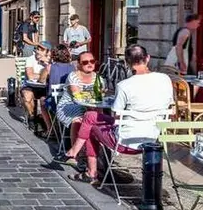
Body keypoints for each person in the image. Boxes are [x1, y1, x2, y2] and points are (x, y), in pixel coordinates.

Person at [63, 45, 174, 184]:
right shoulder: (165, 79)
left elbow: (116, 117)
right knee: (90, 116)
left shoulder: (124, 85)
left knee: (90, 125)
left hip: (125, 141)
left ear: (127, 63)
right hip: (153, 139)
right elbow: (170, 105)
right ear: (148, 58)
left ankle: (90, 171)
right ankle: (76, 151)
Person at [53, 51, 98, 163]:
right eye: (85, 62)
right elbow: (77, 96)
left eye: (92, 61)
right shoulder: (73, 76)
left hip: (89, 107)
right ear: (78, 64)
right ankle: (76, 154)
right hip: (69, 107)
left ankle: (95, 154)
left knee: (98, 118)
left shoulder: (97, 77)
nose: (89, 64)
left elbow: (99, 96)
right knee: (78, 119)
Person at [21, 42, 52, 134]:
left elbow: (53, 75)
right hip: (30, 86)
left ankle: (47, 121)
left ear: (47, 52)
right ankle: (31, 116)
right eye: (37, 48)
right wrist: (44, 75)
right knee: (27, 96)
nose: (38, 51)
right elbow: (30, 76)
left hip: (45, 87)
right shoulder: (30, 59)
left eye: (41, 49)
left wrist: (46, 64)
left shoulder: (50, 61)